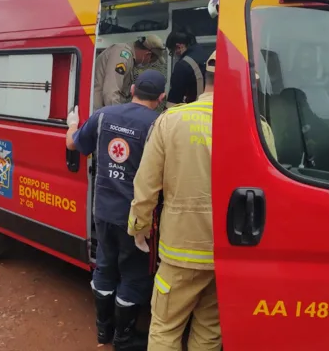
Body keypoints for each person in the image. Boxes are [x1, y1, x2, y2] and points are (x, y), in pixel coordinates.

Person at [66, 70, 167, 351]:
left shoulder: (103, 115)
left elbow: (73, 144)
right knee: (134, 274)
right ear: (161, 98)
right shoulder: (160, 123)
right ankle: (123, 338)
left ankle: (103, 332)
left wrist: (72, 125)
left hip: (103, 211)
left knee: (105, 267)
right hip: (136, 219)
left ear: (132, 88)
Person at [127, 52, 219, 351]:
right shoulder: (256, 126)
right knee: (208, 332)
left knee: (165, 329)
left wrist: (138, 227)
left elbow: (147, 184)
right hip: (226, 253)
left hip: (180, 249)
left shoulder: (172, 120)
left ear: (204, 81)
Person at [93, 35, 166, 110]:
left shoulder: (129, 58)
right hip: (99, 111)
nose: (149, 63)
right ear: (147, 54)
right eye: (151, 61)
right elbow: (111, 93)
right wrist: (117, 117)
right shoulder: (122, 55)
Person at [165, 28, 209, 107]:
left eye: (172, 51)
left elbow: (174, 100)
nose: (175, 55)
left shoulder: (183, 65)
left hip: (193, 113)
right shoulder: (208, 57)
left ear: (178, 47)